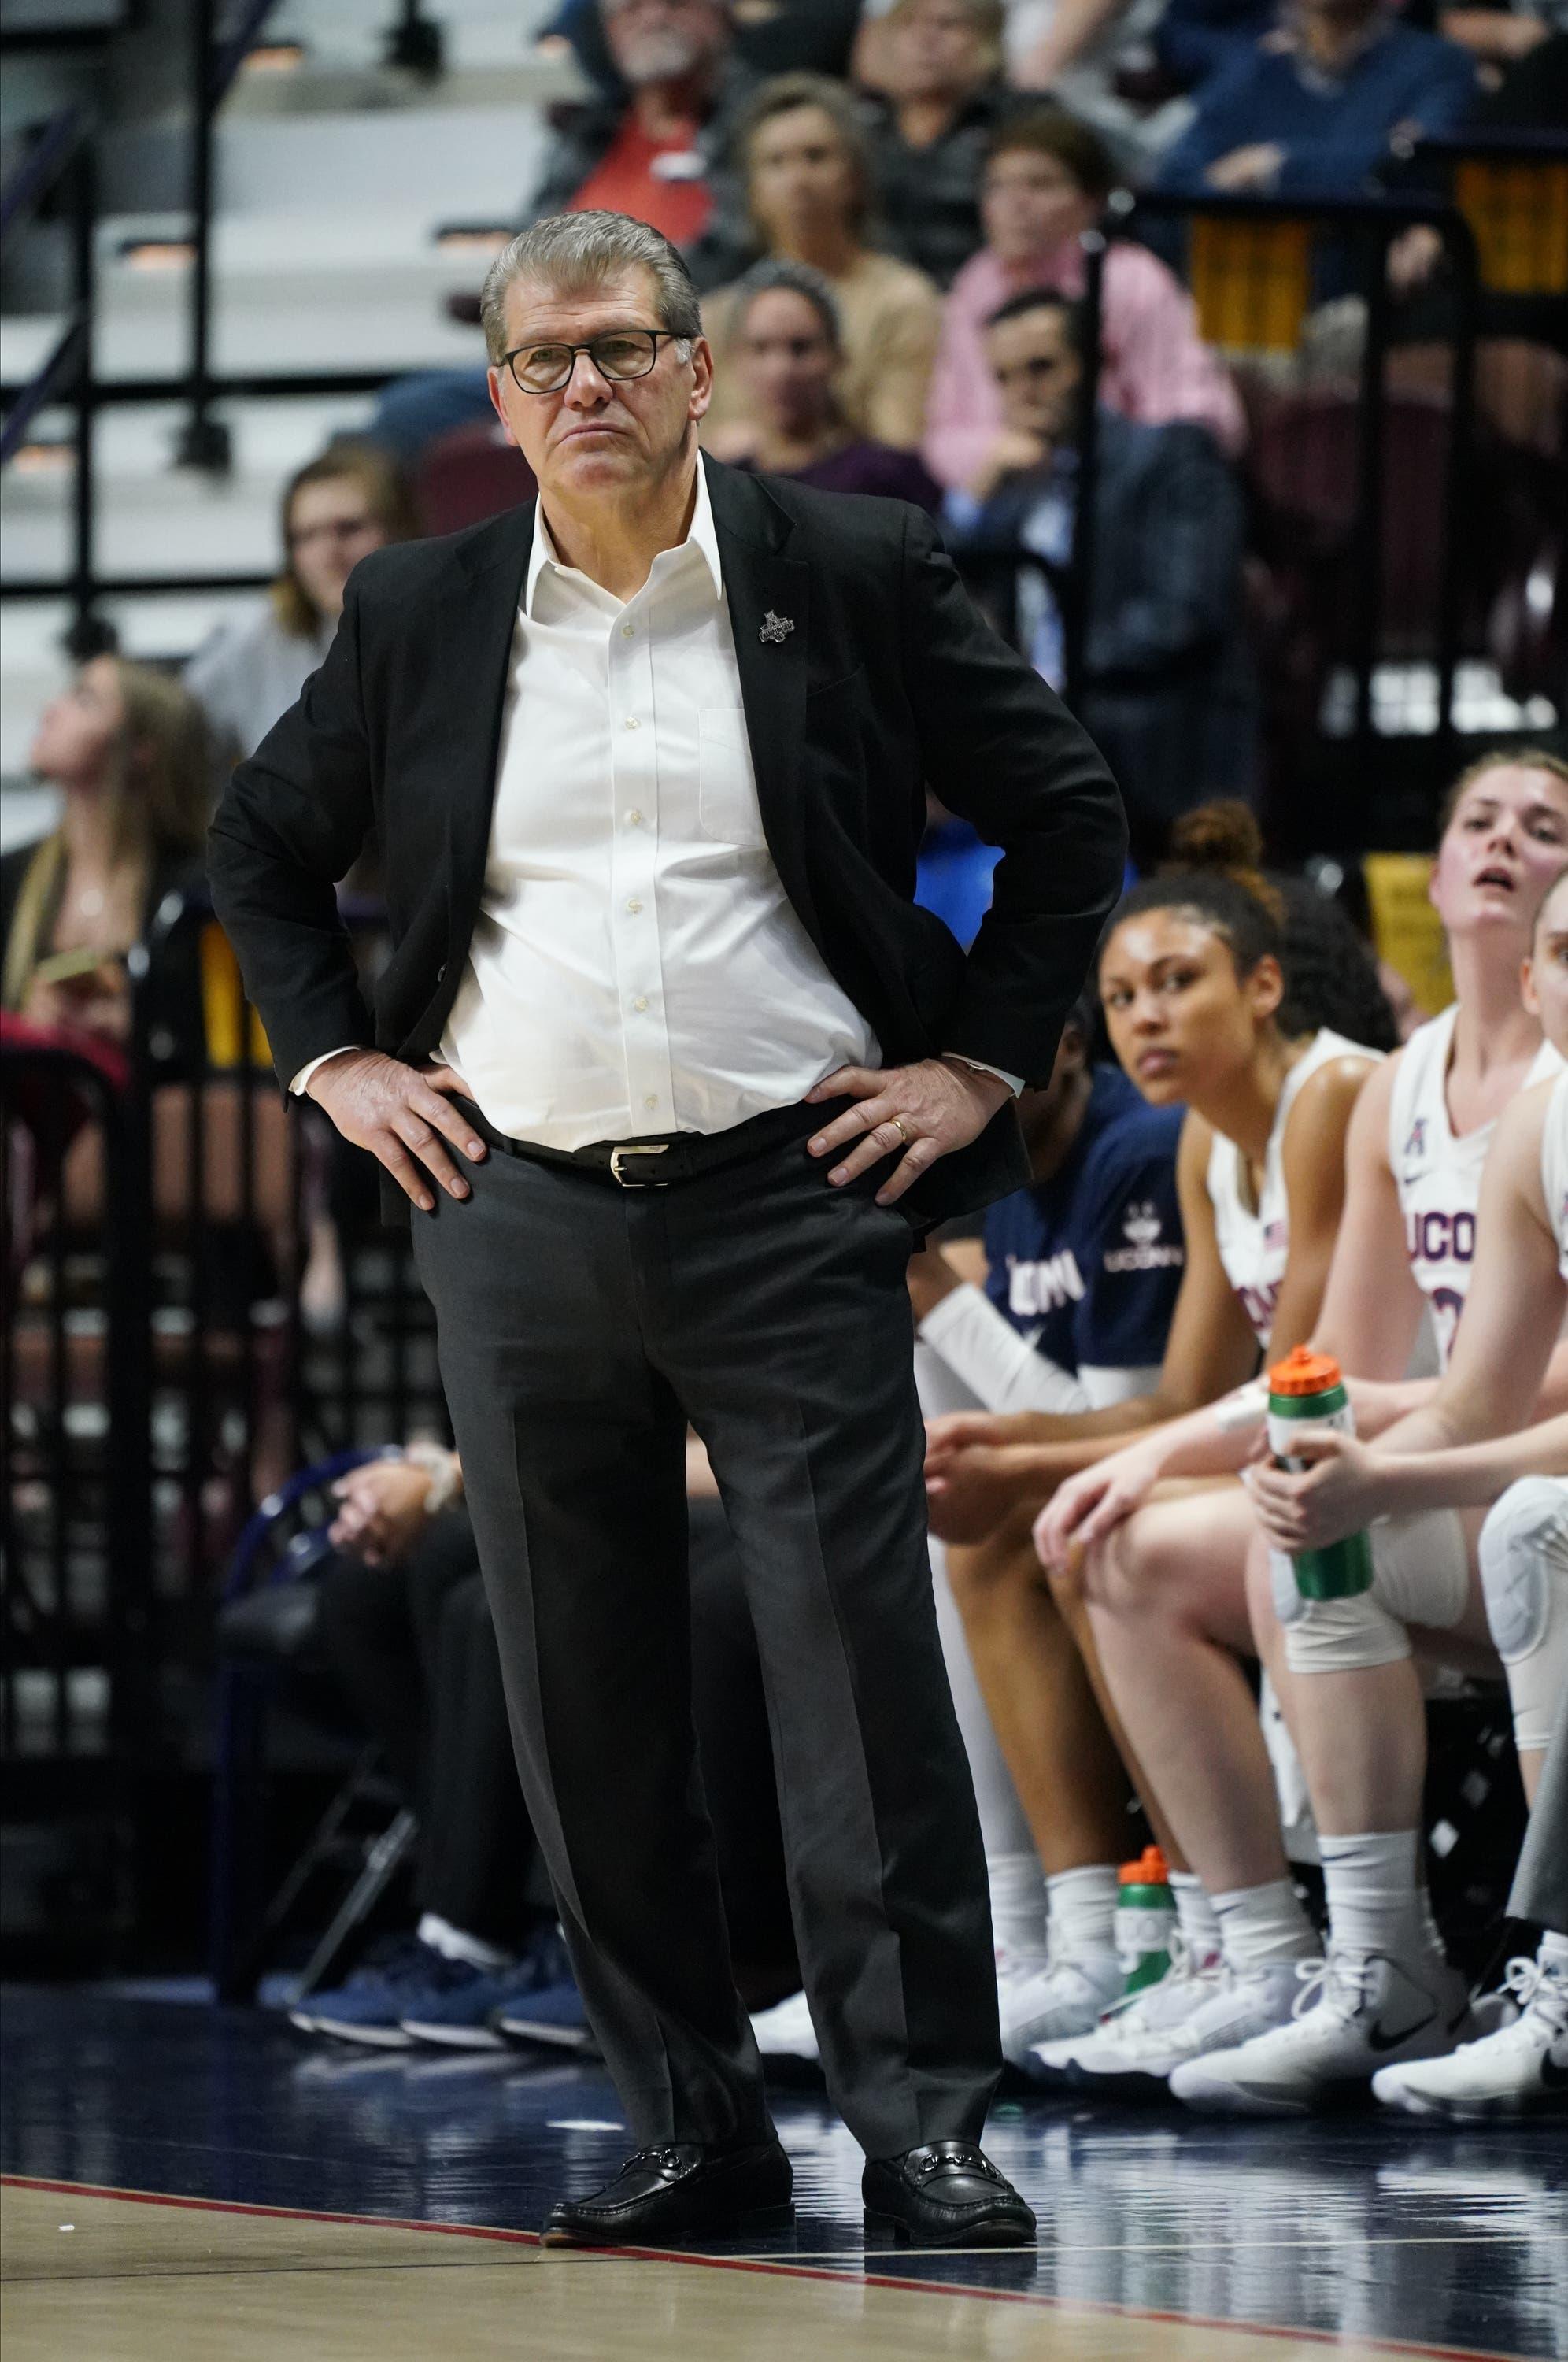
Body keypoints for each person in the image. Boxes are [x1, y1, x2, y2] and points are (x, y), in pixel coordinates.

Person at [208, 209, 1125, 2250]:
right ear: (504, 400)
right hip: (510, 1200)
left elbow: (1069, 814)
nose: (586, 387)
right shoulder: (428, 609)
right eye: (544, 360)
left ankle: (921, 2126)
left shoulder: (850, 571)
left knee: (855, 1671)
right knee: (579, 1684)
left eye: (622, 347)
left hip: (796, 1190)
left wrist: (974, 1067)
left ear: (697, 370)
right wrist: (340, 1065)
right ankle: (694, 2125)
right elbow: (257, 850)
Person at [1033, 753, 1568, 2106]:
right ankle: (1313, 1960)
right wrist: (1171, 1452)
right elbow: (1361, 1374)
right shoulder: (1413, 1087)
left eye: (1543, 828)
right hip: (1467, 1467)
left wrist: (1367, 1462)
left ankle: (1522, 1961)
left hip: (1506, 1492)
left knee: (1507, 1525)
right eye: (1477, 823)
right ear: (1435, 873)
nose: (1505, 845)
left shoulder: (1380, 1092)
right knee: (1189, 1537)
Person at [923, 808, 1392, 2062]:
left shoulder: (1331, 1095)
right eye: (1126, 993)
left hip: (1389, 1462)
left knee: (1098, 1527)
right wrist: (1015, 1457)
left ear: (1265, 984)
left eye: (1176, 984)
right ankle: (1133, 1942)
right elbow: (1188, 1398)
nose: (1145, 1017)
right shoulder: (1206, 1151)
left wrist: (1049, 1461)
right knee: (1032, 1526)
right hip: (1305, 1458)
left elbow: (1304, 1379)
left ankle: (1256, 1944)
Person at [749, 990, 1187, 2068]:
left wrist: (925, 1282)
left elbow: (1108, 1424)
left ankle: (1068, 1938)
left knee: (979, 1529)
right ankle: (1004, 1937)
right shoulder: (1012, 1165)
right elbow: (983, 1417)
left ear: (1069, 1050)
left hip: (1172, 1475)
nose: (950, 1109)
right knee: (918, 1525)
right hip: (1102, 1480)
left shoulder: (1137, 1151)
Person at [1197, 857, 1568, 2118]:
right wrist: (1358, 1481)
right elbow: (1479, 1402)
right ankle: (1384, 1966)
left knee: (1532, 1524)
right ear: (1533, 984)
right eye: (1563, 956)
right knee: (1311, 1531)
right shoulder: (1534, 1134)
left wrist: (1392, 1468)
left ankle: (1559, 1966)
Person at [942, 288, 1254, 865]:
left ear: (1096, 364)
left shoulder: (1171, 456)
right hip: (1046, 739)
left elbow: (1181, 614)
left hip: (1148, 734)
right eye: (1004, 378)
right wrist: (977, 489)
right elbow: (942, 575)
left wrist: (1049, 680)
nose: (1022, 393)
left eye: (1041, 368)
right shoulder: (1020, 486)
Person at [923, 107, 1245, 497]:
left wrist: (1094, 461)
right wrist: (997, 456)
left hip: (1124, 488)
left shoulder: (1131, 278)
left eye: (1040, 185)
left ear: (1092, 201)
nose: (1015, 203)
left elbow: (1196, 412)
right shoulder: (977, 283)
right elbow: (950, 427)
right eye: (997, 186)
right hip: (1007, 485)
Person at [700, 73, 945, 455]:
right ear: (754, 190)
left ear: (854, 177)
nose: (798, 180)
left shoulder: (904, 302)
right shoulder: (714, 318)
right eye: (775, 162)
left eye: (816, 156)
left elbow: (898, 448)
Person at [3, 655, 210, 1075]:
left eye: (84, 699)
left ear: (140, 751)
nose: (51, 710)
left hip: (150, 1126)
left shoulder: (197, 891)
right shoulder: (10, 877)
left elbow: (224, 1055)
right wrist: (28, 1022)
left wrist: (140, 1029)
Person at [184, 443, 420, 782]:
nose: (328, 554)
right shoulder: (256, 641)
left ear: (401, 529)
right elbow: (175, 736)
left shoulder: (454, 631)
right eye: (306, 537)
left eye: (349, 529)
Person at [1156, 0, 1477, 199]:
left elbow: (1415, 162)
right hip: (1253, 278)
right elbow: (1176, 180)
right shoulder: (1258, 69)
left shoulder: (1437, 65)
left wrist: (1274, 167)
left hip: (1365, 280)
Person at [721, 258, 942, 504]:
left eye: (801, 348)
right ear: (736, 360)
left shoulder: (887, 478)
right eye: (760, 348)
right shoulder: (717, 491)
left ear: (838, 358)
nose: (781, 370)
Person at [858, 0, 1013, 291]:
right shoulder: (862, 133)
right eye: (908, 24)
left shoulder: (1018, 127)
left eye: (948, 25)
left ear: (987, 42)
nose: (925, 39)